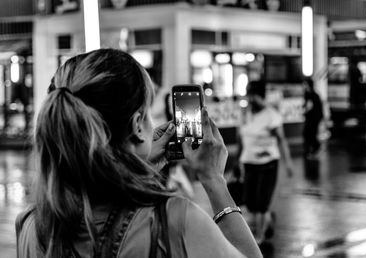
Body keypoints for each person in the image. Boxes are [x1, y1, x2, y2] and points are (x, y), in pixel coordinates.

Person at [15, 49, 262, 258]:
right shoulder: (174, 221)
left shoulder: (30, 224)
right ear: (137, 125)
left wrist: (136, 165)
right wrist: (214, 180)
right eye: (148, 111)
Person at [239, 80, 294, 243]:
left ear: (258, 96)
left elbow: (282, 140)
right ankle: (268, 219)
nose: (248, 99)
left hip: (268, 163)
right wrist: (237, 161)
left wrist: (288, 162)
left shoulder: (271, 116)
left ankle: (260, 235)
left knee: (262, 202)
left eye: (250, 96)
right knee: (250, 202)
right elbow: (241, 137)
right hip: (249, 162)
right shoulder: (245, 113)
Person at [303, 77, 324, 158]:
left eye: (305, 84)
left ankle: (315, 148)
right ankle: (312, 149)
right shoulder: (310, 94)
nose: (303, 86)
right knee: (309, 133)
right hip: (312, 117)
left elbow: (309, 107)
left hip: (314, 118)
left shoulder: (312, 95)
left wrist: (304, 111)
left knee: (310, 133)